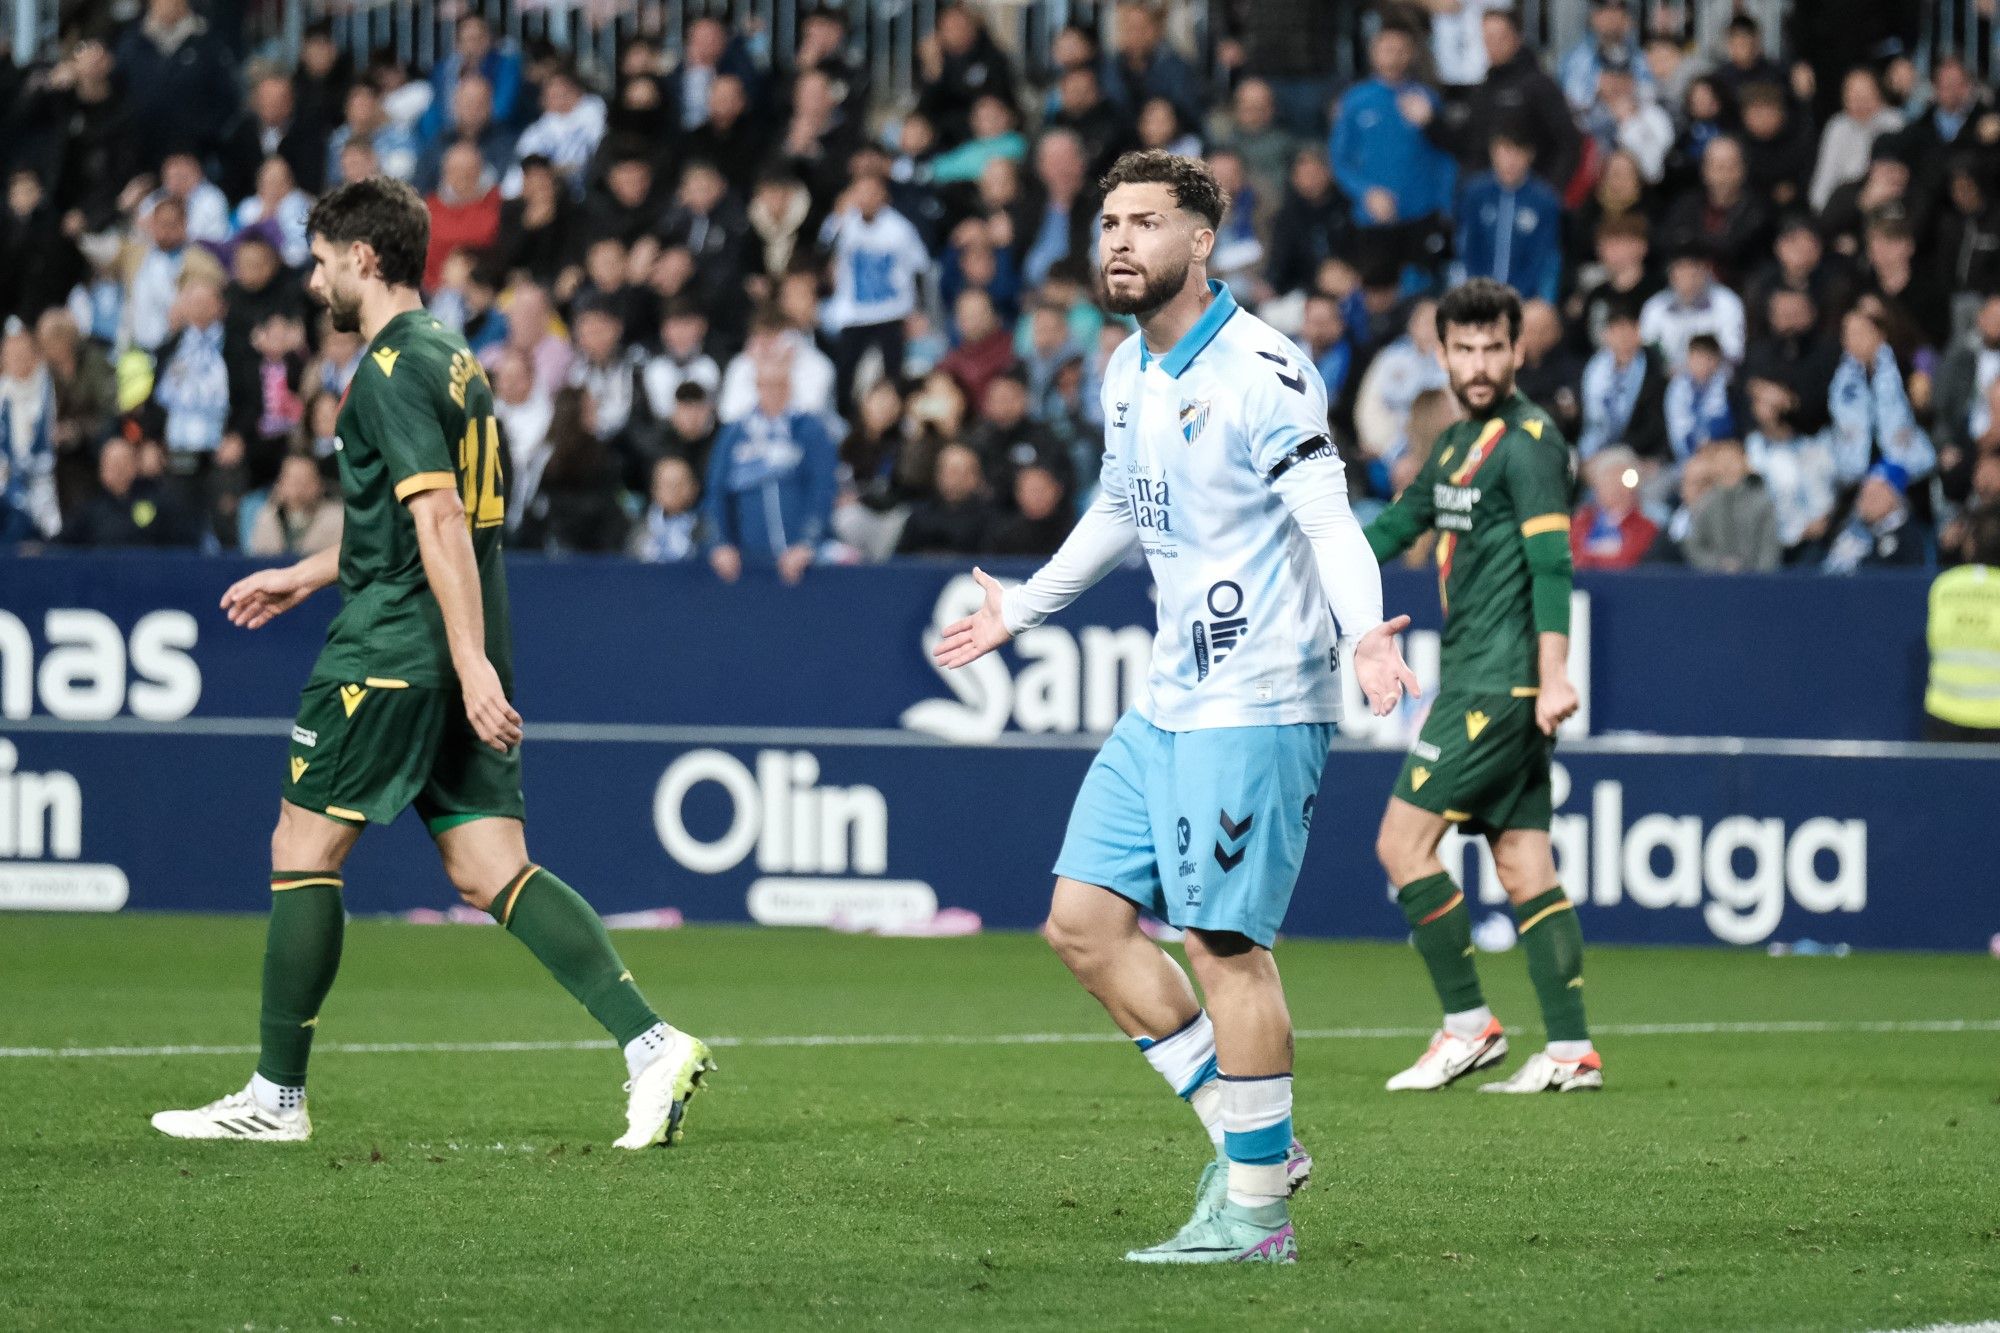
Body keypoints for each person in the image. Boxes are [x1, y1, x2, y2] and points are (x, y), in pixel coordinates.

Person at [149, 178, 713, 1148]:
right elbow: (414, 520)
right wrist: (311, 572)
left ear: (364, 259)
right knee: (488, 863)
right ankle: (649, 1043)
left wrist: (460, 660)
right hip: (450, 636)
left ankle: (276, 1098)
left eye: (323, 258)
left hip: (395, 649)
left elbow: (440, 518)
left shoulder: (388, 368)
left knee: (302, 845)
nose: (313, 275)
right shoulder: (452, 357)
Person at [931, 150, 1417, 1264]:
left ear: (1198, 243)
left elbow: (1330, 521)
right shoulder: (1124, 367)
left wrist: (1363, 632)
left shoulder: (1262, 371)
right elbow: (1119, 503)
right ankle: (1248, 1137)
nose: (1117, 240)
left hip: (1254, 701)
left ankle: (1254, 1218)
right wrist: (1029, 609)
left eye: (1143, 222)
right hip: (1167, 697)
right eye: (1107, 221)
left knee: (1222, 945)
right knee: (1080, 923)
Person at [1363, 278, 1600, 1096]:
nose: (1478, 362)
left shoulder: (1530, 442)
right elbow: (1395, 527)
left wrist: (1553, 674)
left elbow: (1552, 563)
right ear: (1441, 353)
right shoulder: (1460, 443)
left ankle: (1468, 1024)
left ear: (1518, 350)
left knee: (1401, 844)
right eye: (1463, 348)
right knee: (1524, 861)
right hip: (1487, 680)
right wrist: (1310, 558)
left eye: (1493, 347)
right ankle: (1570, 1049)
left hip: (1496, 686)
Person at [703, 363, 838, 586]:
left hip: (803, 559)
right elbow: (716, 489)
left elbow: (823, 487)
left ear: (790, 386)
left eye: (779, 385)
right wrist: (720, 543)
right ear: (757, 387)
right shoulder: (735, 433)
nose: (773, 392)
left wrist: (807, 542)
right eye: (766, 385)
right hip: (748, 562)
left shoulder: (809, 429)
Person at [1922, 510, 2000, 741]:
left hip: (1944, 711)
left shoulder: (1943, 586)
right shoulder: (1943, 586)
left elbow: (1933, 639)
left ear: (1970, 544)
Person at [1686, 437, 1781, 573]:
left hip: (1755, 583)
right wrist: (1718, 565)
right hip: (1715, 582)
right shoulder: (1705, 503)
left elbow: (1769, 550)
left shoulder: (1762, 502)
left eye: (1732, 461)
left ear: (1745, 462)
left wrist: (1760, 580)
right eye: (1722, 461)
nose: (1727, 467)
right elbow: (1694, 546)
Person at [1571, 445, 1656, 570]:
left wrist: (1590, 557)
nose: (1613, 488)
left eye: (1618, 480)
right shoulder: (1580, 523)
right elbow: (1570, 559)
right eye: (1607, 480)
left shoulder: (1645, 527)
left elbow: (1627, 561)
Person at [249, 450, 343, 555]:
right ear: (280, 484)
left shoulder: (336, 518)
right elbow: (257, 559)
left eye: (305, 480)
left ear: (319, 484)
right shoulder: (267, 517)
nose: (299, 488)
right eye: (293, 481)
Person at [629, 454, 703, 563]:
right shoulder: (640, 531)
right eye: (667, 484)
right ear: (654, 490)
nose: (674, 490)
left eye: (680, 484)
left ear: (694, 488)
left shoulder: (707, 529)